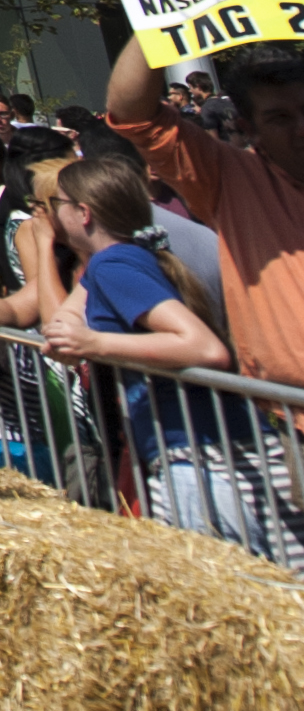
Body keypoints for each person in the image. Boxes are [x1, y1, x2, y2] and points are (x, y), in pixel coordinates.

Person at [32, 150, 269, 544]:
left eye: (56, 206)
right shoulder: (111, 262)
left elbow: (205, 348)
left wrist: (95, 342)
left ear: (83, 213)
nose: (51, 216)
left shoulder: (115, 266)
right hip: (202, 448)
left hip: (202, 458)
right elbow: (61, 323)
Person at [103, 5, 304, 391]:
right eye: (280, 118)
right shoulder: (232, 178)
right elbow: (132, 113)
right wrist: (161, 14)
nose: (301, 129)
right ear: (248, 128)